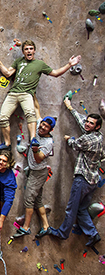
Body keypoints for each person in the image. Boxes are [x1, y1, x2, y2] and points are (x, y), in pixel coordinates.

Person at [0, 40, 81, 150]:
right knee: (2, 118)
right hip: (13, 93)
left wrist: (69, 65)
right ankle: (7, 143)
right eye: (26, 49)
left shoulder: (40, 64)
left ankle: (33, 139)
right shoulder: (18, 62)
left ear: (34, 50)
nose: (29, 51)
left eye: (30, 49)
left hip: (27, 94)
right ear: (23, 51)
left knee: (30, 114)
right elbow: (8, 73)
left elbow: (56, 73)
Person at [49, 99, 104, 248]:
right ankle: (93, 234)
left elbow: (75, 144)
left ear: (97, 126)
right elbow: (82, 123)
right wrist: (71, 108)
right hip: (92, 180)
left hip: (83, 179)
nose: (87, 124)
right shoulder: (98, 136)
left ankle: (62, 233)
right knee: (81, 209)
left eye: (91, 123)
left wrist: (69, 139)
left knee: (71, 208)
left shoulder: (87, 139)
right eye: (88, 122)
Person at [12, 116, 55, 238]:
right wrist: (33, 96)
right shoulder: (37, 129)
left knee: (29, 199)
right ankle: (46, 226)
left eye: (46, 126)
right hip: (35, 171)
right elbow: (36, 110)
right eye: (42, 124)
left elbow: (38, 158)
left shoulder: (48, 143)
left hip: (38, 173)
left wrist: (35, 149)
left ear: (50, 130)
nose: (42, 127)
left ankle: (26, 227)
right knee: (38, 200)